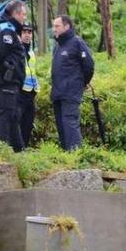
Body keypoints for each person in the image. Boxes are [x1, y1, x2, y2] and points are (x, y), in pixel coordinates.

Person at [0, 0, 28, 152]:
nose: (24, 18)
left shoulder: (9, 29)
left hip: (11, 80)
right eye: (23, 15)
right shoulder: (7, 31)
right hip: (6, 79)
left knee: (13, 115)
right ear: (16, 14)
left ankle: (19, 150)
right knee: (6, 114)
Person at [51, 15, 95, 151]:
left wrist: (82, 82)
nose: (54, 29)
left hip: (71, 91)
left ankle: (75, 154)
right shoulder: (58, 46)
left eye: (57, 26)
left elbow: (89, 65)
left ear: (67, 26)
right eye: (53, 26)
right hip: (58, 92)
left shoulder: (77, 42)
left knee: (69, 122)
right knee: (61, 124)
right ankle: (66, 155)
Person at [19, 23, 39, 148]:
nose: (27, 35)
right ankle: (17, 148)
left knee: (28, 122)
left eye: (29, 32)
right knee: (19, 122)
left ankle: (24, 147)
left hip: (31, 91)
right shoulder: (17, 49)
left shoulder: (31, 52)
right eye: (24, 32)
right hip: (20, 91)